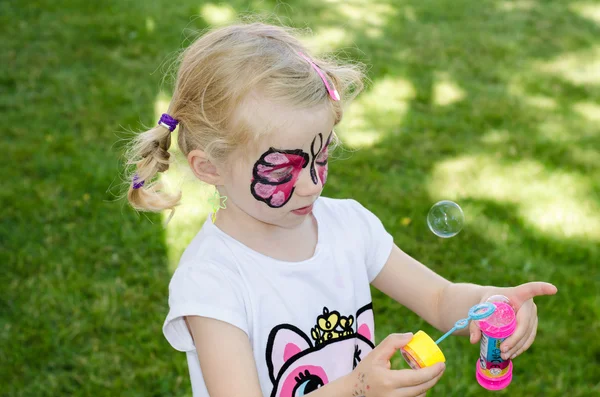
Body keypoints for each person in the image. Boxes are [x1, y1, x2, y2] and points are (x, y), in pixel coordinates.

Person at [124, 22, 557, 397]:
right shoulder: (212, 281)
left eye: (321, 156)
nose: (312, 183)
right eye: (285, 168)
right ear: (210, 167)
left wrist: (490, 303)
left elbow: (441, 299)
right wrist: (356, 388)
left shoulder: (347, 226)